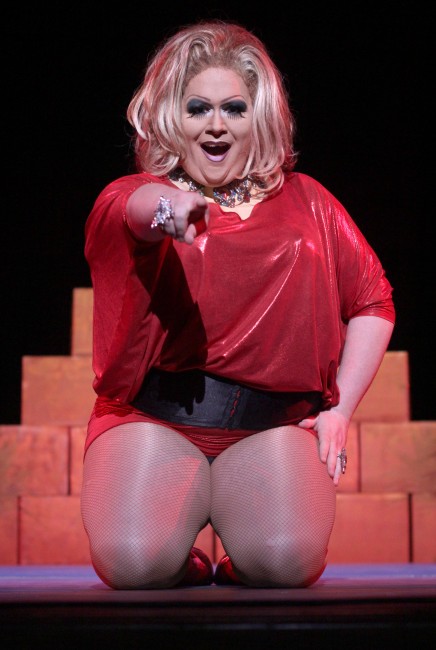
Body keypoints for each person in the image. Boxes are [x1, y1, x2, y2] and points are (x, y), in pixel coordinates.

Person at [81, 19, 395, 590]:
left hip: (271, 428)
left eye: (234, 109)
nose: (216, 125)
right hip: (157, 421)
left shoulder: (309, 201)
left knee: (284, 562)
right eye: (198, 109)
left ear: (259, 118)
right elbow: (136, 211)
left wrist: (340, 411)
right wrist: (170, 211)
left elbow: (373, 301)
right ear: (172, 119)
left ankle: (241, 556)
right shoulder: (137, 196)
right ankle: (183, 563)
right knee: (134, 562)